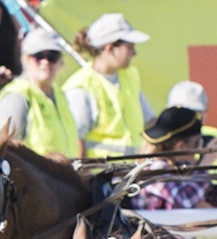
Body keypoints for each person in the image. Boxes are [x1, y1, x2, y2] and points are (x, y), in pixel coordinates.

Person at [63, 12, 154, 159]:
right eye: (129, 47)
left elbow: (149, 122)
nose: (134, 53)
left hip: (132, 170)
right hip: (100, 174)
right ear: (110, 48)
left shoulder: (130, 77)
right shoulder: (81, 86)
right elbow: (75, 140)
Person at [0, 28, 77, 158]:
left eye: (52, 57)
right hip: (30, 177)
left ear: (60, 61)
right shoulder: (16, 97)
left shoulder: (58, 93)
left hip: (61, 176)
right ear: (26, 59)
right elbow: (2, 152)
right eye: (38, 56)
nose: (45, 62)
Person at [130, 106, 217, 211]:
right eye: (197, 143)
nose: (200, 147)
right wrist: (204, 165)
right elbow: (186, 202)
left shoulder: (179, 168)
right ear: (181, 146)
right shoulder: (153, 170)